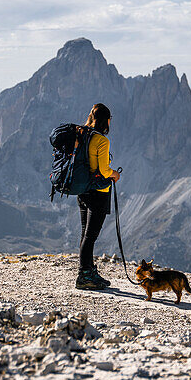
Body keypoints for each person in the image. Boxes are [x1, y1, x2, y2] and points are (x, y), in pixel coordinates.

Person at [76, 103, 120, 291]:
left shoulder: (83, 135)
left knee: (85, 234)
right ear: (106, 120)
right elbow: (103, 170)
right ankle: (85, 276)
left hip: (83, 191)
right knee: (91, 236)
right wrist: (115, 175)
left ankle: (88, 272)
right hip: (98, 194)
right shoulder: (102, 141)